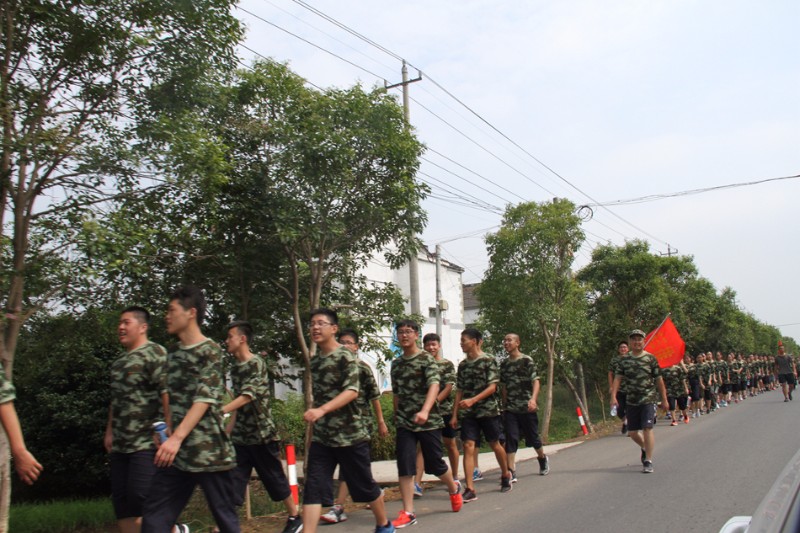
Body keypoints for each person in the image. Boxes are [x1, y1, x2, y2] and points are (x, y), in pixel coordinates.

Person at [141, 286, 240, 533]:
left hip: (209, 454)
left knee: (226, 521)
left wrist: (175, 437)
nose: (167, 316)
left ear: (191, 313)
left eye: (172, 310)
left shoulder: (211, 350)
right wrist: (163, 428)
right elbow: (167, 397)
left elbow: (204, 399)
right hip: (178, 456)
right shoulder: (172, 354)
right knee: (154, 520)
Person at [301, 308, 393, 533]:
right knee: (312, 488)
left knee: (365, 487)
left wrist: (321, 410)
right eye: (312, 323)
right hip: (323, 438)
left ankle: (383, 524)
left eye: (321, 323)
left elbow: (352, 391)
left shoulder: (346, 357)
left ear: (334, 329)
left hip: (351, 435)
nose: (315, 327)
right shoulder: (315, 361)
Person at [221, 321, 302, 533]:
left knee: (274, 478)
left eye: (230, 336)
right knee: (234, 481)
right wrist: (227, 431)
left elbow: (248, 395)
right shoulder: (234, 369)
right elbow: (238, 402)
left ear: (242, 339)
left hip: (262, 435)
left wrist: (221, 410)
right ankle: (225, 525)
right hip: (241, 437)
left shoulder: (256, 363)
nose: (226, 341)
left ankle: (294, 516)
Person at [389, 320, 462, 528]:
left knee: (434, 464)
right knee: (405, 465)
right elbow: (397, 393)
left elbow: (434, 385)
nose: (404, 335)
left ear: (416, 334)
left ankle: (453, 487)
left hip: (428, 422)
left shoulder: (426, 360)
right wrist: (396, 414)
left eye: (408, 332)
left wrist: (425, 410)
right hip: (405, 422)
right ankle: (408, 512)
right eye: (400, 332)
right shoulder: (396, 364)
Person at [105, 306, 170, 533]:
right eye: (120, 323)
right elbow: (115, 400)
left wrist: (166, 430)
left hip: (145, 442)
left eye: (126, 323)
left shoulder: (156, 353)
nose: (121, 327)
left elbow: (166, 393)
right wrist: (109, 432)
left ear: (143, 327)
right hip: (121, 444)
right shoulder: (118, 363)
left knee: (143, 500)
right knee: (122, 506)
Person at [321, 328, 389, 525]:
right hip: (337, 427)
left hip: (361, 425)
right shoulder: (332, 367)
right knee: (355, 468)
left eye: (349, 342)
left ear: (357, 346)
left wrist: (381, 422)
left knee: (353, 467)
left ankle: (340, 506)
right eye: (342, 341)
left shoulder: (363, 368)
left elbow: (375, 397)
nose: (345, 345)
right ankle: (373, 494)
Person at [451, 328, 512, 502]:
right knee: (468, 445)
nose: (461, 343)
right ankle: (470, 488)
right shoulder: (462, 365)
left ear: (476, 341)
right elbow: (459, 391)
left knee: (495, 444)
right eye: (461, 340)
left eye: (464, 340)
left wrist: (473, 400)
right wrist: (455, 414)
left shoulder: (488, 360)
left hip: (488, 410)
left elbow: (492, 387)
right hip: (469, 414)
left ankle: (505, 473)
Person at [610, 329, 669, 474]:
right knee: (632, 432)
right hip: (632, 400)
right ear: (630, 342)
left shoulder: (650, 358)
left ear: (644, 341)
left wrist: (664, 399)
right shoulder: (624, 360)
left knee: (647, 428)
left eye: (639, 339)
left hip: (648, 399)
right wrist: (613, 396)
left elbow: (659, 380)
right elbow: (617, 378)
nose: (637, 342)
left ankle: (648, 460)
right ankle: (644, 447)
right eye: (634, 339)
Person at [499, 333, 549, 480]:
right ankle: (511, 471)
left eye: (509, 340)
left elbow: (536, 381)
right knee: (511, 438)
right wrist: (504, 405)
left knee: (533, 438)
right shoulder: (504, 364)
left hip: (527, 407)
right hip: (511, 409)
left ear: (517, 342)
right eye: (505, 340)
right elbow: (504, 387)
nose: (506, 343)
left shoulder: (527, 360)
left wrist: (533, 399)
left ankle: (542, 458)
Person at [608, 341, 629, 434]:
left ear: (628, 349)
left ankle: (630, 429)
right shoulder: (614, 360)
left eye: (625, 347)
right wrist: (611, 386)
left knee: (630, 409)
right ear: (618, 349)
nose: (623, 349)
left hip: (630, 388)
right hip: (618, 389)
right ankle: (625, 421)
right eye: (621, 347)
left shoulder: (631, 359)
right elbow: (610, 373)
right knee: (619, 410)